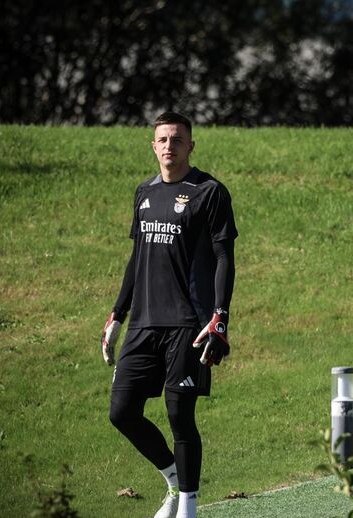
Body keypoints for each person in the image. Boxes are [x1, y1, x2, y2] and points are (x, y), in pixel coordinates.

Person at [100, 111, 238, 518]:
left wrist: (220, 316)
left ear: (190, 145)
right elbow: (136, 257)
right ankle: (175, 481)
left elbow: (224, 258)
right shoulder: (144, 192)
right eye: (162, 139)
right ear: (153, 145)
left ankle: (189, 508)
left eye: (177, 139)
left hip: (188, 325)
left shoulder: (209, 192)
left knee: (179, 414)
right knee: (122, 412)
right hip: (143, 323)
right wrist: (117, 314)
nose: (169, 146)